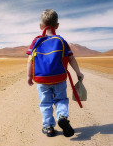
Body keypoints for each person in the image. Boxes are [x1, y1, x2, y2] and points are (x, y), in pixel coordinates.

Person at [26, 9, 84, 137]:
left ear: (40, 26)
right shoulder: (61, 41)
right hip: (59, 79)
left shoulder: (36, 41)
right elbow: (71, 58)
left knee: (45, 103)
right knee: (61, 100)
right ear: (57, 25)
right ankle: (62, 116)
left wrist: (29, 76)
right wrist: (78, 73)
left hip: (41, 80)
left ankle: (48, 128)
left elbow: (30, 60)